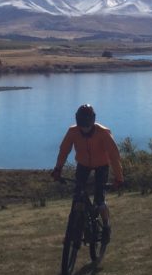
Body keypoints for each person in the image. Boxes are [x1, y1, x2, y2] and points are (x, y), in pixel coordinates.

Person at [51, 104, 124, 244]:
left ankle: (106, 226)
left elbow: (114, 156)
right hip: (83, 165)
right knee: (77, 197)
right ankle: (74, 228)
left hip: (102, 165)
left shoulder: (103, 133)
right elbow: (64, 150)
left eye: (87, 125)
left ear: (92, 121)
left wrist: (119, 178)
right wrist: (58, 169)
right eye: (81, 125)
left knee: (99, 200)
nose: (84, 129)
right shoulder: (73, 131)